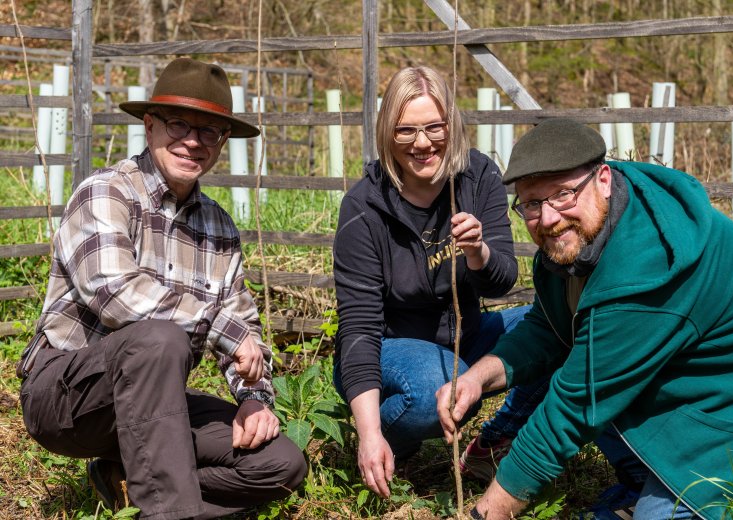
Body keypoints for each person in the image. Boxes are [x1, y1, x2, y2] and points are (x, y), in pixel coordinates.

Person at [437, 118, 733, 520]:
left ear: (602, 178)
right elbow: (550, 328)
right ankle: (641, 475)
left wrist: (485, 514)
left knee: (659, 516)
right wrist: (478, 379)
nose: (547, 219)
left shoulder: (646, 269)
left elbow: (575, 405)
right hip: (696, 379)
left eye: (563, 194)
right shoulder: (586, 229)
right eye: (531, 203)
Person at [17, 58, 307, 519]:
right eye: (178, 124)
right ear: (149, 127)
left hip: (155, 401)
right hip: (68, 397)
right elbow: (114, 294)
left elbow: (244, 328)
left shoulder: (219, 227)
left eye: (209, 132)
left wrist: (254, 398)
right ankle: (173, 513)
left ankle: (126, 481)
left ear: (222, 143)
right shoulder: (106, 194)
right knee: (158, 337)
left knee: (280, 463)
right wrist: (217, 326)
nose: (193, 141)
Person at [332, 66, 545, 498]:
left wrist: (477, 252)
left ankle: (495, 439)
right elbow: (359, 328)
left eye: (434, 127)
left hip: (464, 337)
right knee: (437, 388)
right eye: (406, 130)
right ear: (387, 133)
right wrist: (370, 431)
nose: (423, 143)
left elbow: (502, 281)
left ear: (452, 124)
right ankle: (388, 443)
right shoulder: (363, 208)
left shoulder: (477, 176)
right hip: (393, 347)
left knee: (558, 326)